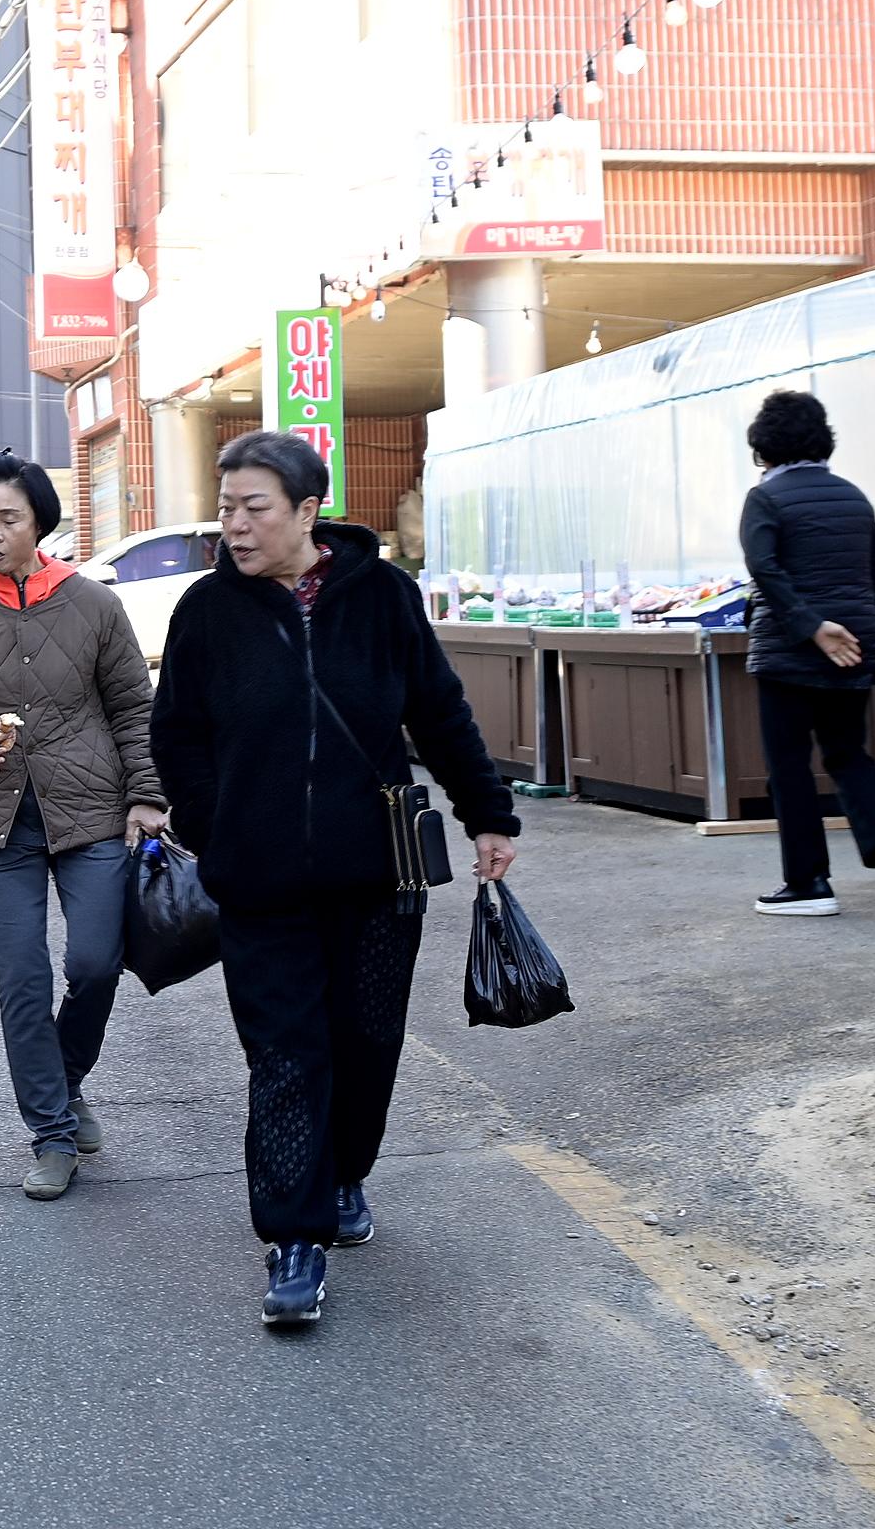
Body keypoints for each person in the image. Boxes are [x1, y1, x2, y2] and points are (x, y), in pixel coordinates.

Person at [151, 430, 519, 1330]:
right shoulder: (205, 610)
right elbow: (178, 735)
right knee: (284, 1055)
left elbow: (438, 710)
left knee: (365, 1042)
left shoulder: (382, 596)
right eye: (227, 506)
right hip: (260, 883)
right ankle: (294, 1237)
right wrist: (214, 825)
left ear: (309, 511)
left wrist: (489, 813)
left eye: (254, 508)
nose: (233, 525)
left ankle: (346, 1171)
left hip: (375, 876)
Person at [0, 449, 165, 1202]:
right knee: (21, 978)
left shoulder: (94, 605)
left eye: (6, 518)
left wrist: (147, 797)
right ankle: (51, 1131)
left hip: (92, 811)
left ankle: (66, 1076)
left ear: (39, 524)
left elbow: (133, 708)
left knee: (92, 963)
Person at [737, 390, 875, 916]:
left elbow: (765, 570)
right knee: (848, 753)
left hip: (790, 650)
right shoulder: (854, 497)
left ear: (764, 447)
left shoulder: (764, 499)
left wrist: (812, 627)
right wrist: (862, 636)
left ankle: (809, 885)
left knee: (789, 764)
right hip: (852, 647)